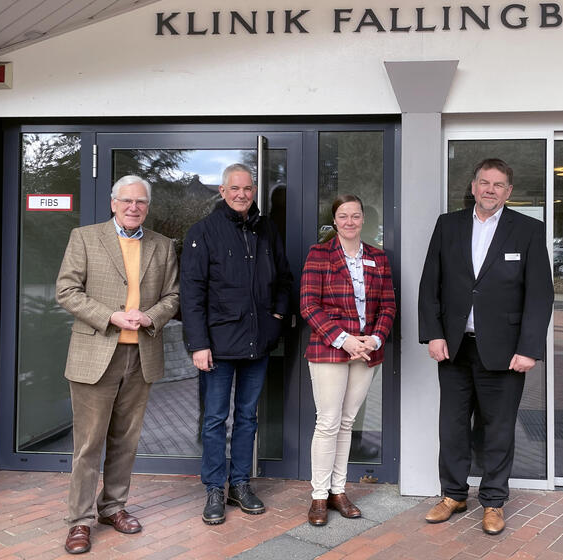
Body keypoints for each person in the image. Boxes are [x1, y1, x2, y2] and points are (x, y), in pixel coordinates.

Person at [418, 158, 553, 535]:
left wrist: (529, 348)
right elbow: (430, 284)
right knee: (452, 427)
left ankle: (493, 501)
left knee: (498, 429)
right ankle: (453, 495)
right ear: (473, 186)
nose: (490, 190)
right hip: (455, 348)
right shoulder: (448, 225)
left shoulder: (527, 230)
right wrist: (434, 334)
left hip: (506, 351)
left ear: (508, 192)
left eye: (498, 185)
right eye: (484, 182)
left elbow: (540, 295)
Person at [56, 175, 180, 554]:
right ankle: (80, 520)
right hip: (95, 354)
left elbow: (173, 296)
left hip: (140, 355)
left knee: (126, 440)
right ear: (113, 203)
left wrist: (150, 316)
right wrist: (110, 316)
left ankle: (113, 507)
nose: (133, 207)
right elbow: (66, 290)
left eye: (140, 202)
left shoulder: (162, 245)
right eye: (126, 200)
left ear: (147, 207)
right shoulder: (85, 238)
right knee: (88, 443)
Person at [180, 163, 293, 525]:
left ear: (253, 191)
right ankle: (215, 488)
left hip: (257, 344)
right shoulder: (204, 232)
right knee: (215, 419)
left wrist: (277, 317)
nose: (242, 194)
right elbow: (191, 294)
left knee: (247, 417)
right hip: (217, 346)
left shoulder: (266, 230)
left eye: (247, 189)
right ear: (223, 191)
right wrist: (198, 344)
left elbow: (284, 279)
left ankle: (240, 484)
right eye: (235, 188)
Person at [299, 194, 396, 526]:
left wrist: (375, 338)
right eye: (343, 216)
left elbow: (388, 305)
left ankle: (337, 491)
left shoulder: (378, 257)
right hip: (330, 348)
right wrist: (345, 340)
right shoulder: (319, 254)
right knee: (328, 422)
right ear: (335, 220)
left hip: (367, 350)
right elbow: (309, 305)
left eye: (355, 216)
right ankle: (318, 495)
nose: (350, 222)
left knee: (347, 422)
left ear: (363, 219)